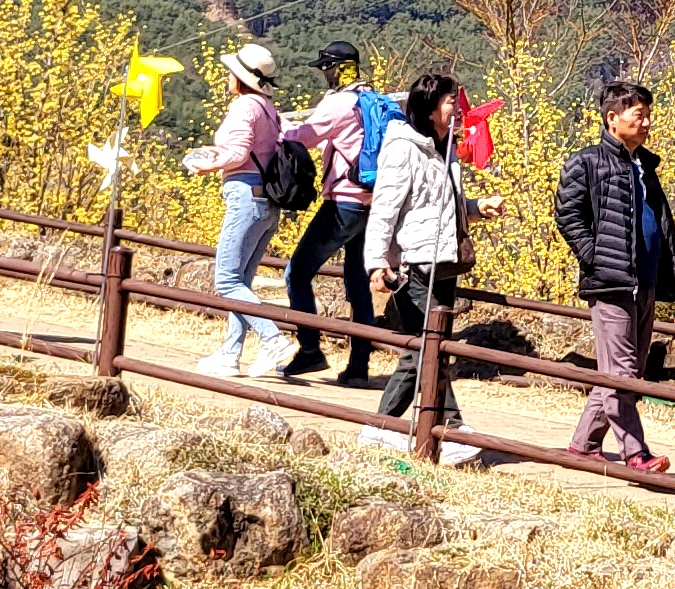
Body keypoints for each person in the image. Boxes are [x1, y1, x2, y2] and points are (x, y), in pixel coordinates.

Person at [555, 79, 675, 471]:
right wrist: (594, 257)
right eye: (638, 115)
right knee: (623, 374)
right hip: (611, 282)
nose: (646, 123)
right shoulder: (588, 162)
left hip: (644, 281)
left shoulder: (645, 166)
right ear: (613, 118)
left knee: (625, 371)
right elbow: (567, 215)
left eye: (648, 115)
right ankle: (635, 453)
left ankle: (583, 445)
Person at [365, 67, 486, 449]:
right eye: (452, 102)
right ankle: (450, 427)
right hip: (417, 261)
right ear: (431, 107)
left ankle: (382, 429)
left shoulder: (445, 148)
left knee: (424, 349)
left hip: (444, 259)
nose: (459, 109)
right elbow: (385, 209)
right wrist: (375, 261)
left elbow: (441, 203)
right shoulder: (403, 148)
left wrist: (477, 207)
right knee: (426, 347)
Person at [184, 41, 289, 375]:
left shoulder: (245, 106)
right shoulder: (269, 108)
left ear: (241, 77)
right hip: (266, 201)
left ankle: (272, 339)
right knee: (241, 279)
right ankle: (230, 353)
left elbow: (240, 154)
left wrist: (208, 164)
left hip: (245, 195)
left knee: (227, 281)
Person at [281, 41, 379, 383]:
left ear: (338, 68)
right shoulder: (372, 100)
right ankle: (359, 366)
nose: (325, 74)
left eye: (327, 68)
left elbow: (303, 136)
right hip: (373, 202)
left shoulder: (339, 103)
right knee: (358, 284)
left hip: (343, 202)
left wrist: (274, 129)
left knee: (297, 273)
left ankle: (310, 350)